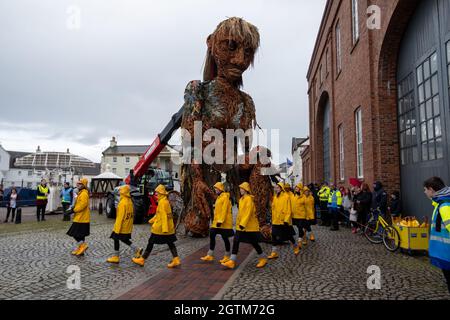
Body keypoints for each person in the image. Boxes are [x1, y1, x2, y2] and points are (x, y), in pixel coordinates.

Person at [132, 185, 181, 268]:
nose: (156, 195)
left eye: (157, 193)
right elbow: (159, 214)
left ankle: (142, 259)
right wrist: (152, 220)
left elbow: (164, 216)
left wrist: (164, 229)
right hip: (168, 228)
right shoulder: (165, 201)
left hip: (160, 228)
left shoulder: (162, 203)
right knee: (170, 243)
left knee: (151, 242)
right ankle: (176, 259)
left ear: (161, 194)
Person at [222, 182, 268, 269]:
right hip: (242, 226)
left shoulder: (249, 199)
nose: (240, 190)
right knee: (236, 240)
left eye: (242, 189)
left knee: (254, 243)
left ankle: (263, 258)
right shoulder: (241, 199)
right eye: (240, 189)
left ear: (246, 190)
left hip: (250, 227)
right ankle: (232, 261)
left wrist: (242, 224)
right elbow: (240, 213)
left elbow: (248, 213)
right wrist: (239, 224)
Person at [423, 177, 450, 294]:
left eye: (425, 190)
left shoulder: (444, 206)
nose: (424, 192)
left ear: (431, 189)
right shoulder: (441, 204)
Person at [106, 185, 142, 264]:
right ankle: (137, 249)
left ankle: (116, 257)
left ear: (122, 192)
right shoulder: (129, 201)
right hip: (127, 225)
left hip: (121, 226)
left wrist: (116, 229)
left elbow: (120, 217)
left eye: (120, 191)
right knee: (124, 239)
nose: (119, 192)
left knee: (116, 238)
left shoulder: (122, 203)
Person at [201, 182, 234, 263]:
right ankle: (210, 255)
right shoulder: (219, 198)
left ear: (220, 189)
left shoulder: (225, 197)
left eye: (216, 188)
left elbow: (224, 210)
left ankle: (227, 256)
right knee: (212, 234)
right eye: (214, 188)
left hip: (223, 223)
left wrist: (220, 221)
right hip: (217, 223)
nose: (215, 190)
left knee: (225, 239)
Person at [268, 182, 299, 259]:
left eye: (277, 188)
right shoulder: (275, 197)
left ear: (281, 188)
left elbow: (288, 209)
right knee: (274, 235)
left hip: (283, 221)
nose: (276, 189)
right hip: (276, 220)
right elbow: (273, 209)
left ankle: (295, 246)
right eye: (275, 188)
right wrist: (272, 220)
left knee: (289, 236)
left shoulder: (286, 197)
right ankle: (274, 252)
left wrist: (286, 220)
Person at [66, 178, 90, 256]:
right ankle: (81, 249)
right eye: (77, 183)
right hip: (80, 217)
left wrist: (73, 210)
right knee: (81, 235)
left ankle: (83, 245)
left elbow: (82, 205)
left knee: (73, 233)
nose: (77, 185)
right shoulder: (81, 192)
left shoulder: (84, 194)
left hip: (81, 218)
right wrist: (72, 209)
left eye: (80, 184)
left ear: (84, 185)